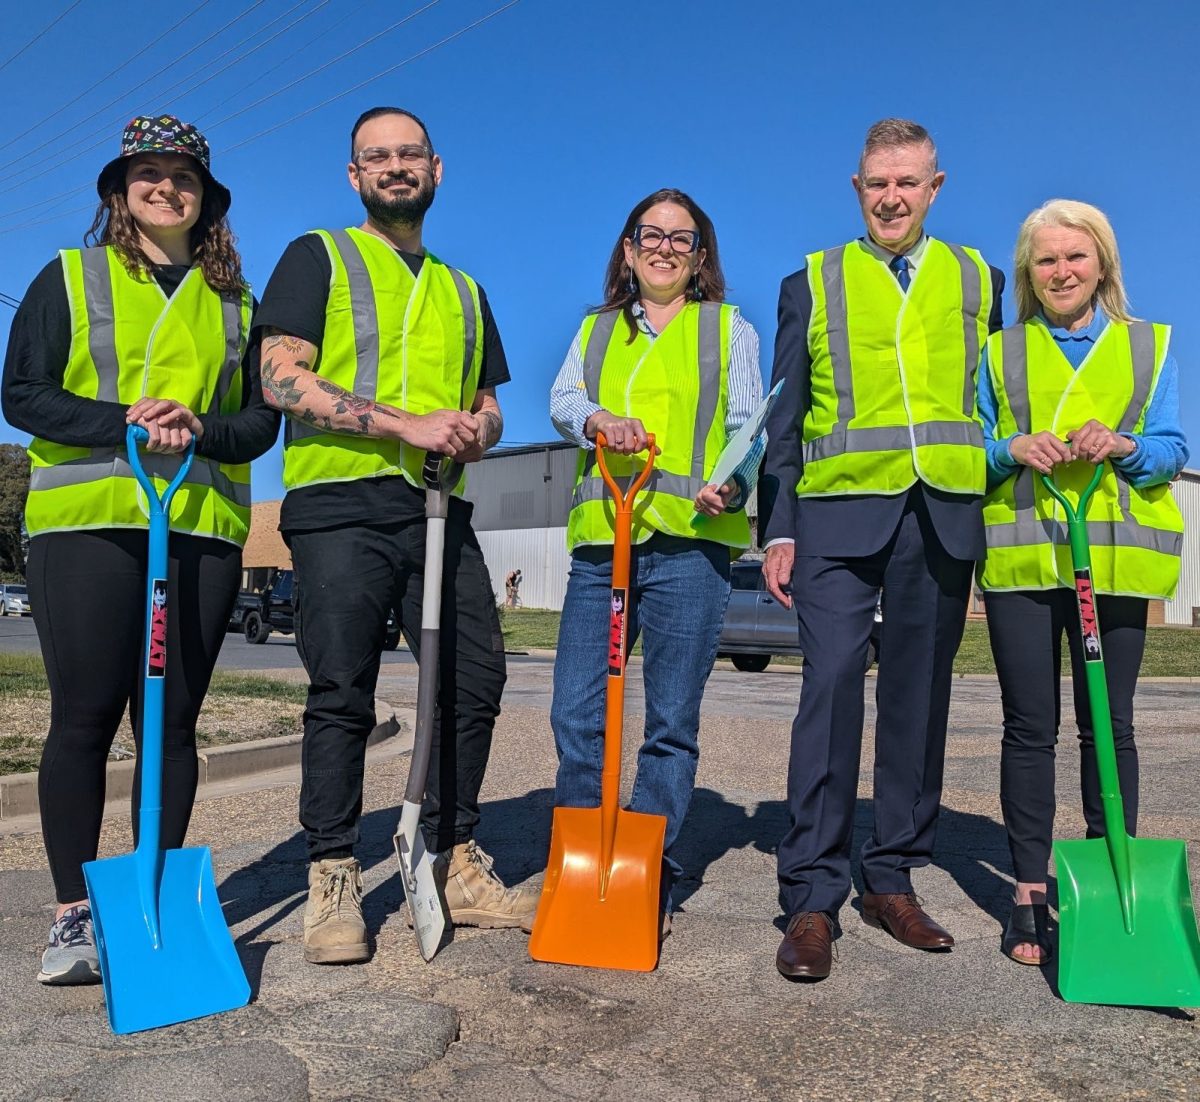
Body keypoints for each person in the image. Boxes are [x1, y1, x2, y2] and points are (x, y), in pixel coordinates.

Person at [1, 114, 278, 985]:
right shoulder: (69, 278)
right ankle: (74, 915)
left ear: (208, 198)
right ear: (119, 192)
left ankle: (154, 898)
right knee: (84, 717)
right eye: (146, 174)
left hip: (196, 530)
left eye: (183, 176)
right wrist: (122, 422)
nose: (166, 187)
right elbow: (23, 394)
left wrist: (199, 426)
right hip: (89, 528)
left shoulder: (239, 303)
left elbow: (259, 422)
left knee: (172, 723)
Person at [254, 105, 534, 965]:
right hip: (341, 505)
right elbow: (279, 378)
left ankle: (455, 858)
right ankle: (333, 873)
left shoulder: (463, 289)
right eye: (377, 157)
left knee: (475, 679)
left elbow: (490, 407)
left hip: (437, 509)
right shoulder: (317, 256)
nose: (395, 166)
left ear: (437, 168)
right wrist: (403, 423)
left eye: (410, 153)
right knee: (343, 690)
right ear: (355, 176)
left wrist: (472, 432)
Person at [762, 119, 1005, 979]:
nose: (891, 198)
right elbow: (781, 420)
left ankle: (891, 875)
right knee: (829, 688)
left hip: (939, 516)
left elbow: (996, 405)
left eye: (908, 183)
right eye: (876, 184)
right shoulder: (813, 280)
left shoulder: (981, 278)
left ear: (935, 187)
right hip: (834, 518)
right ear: (856, 189)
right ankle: (812, 896)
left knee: (916, 699)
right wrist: (778, 526)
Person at [977, 199, 1187, 965]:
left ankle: (1109, 877)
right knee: (1029, 727)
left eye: (1075, 257)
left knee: (1111, 724)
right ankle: (1029, 889)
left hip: (1114, 562)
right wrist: (1009, 450)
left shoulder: (1150, 346)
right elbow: (975, 444)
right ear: (1029, 272)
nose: (1061, 272)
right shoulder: (1001, 353)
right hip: (1025, 560)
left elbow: (1171, 447)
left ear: (1102, 263)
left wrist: (1126, 443)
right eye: (1045, 260)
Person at [548, 187, 762, 934]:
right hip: (604, 540)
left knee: (669, 718)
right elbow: (564, 398)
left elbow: (748, 430)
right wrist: (599, 419)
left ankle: (652, 865)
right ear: (630, 248)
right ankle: (582, 859)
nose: (665, 248)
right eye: (651, 235)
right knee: (576, 708)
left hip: (689, 544)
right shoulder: (598, 329)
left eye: (682, 238)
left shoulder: (729, 329)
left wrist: (735, 482)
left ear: (700, 256)